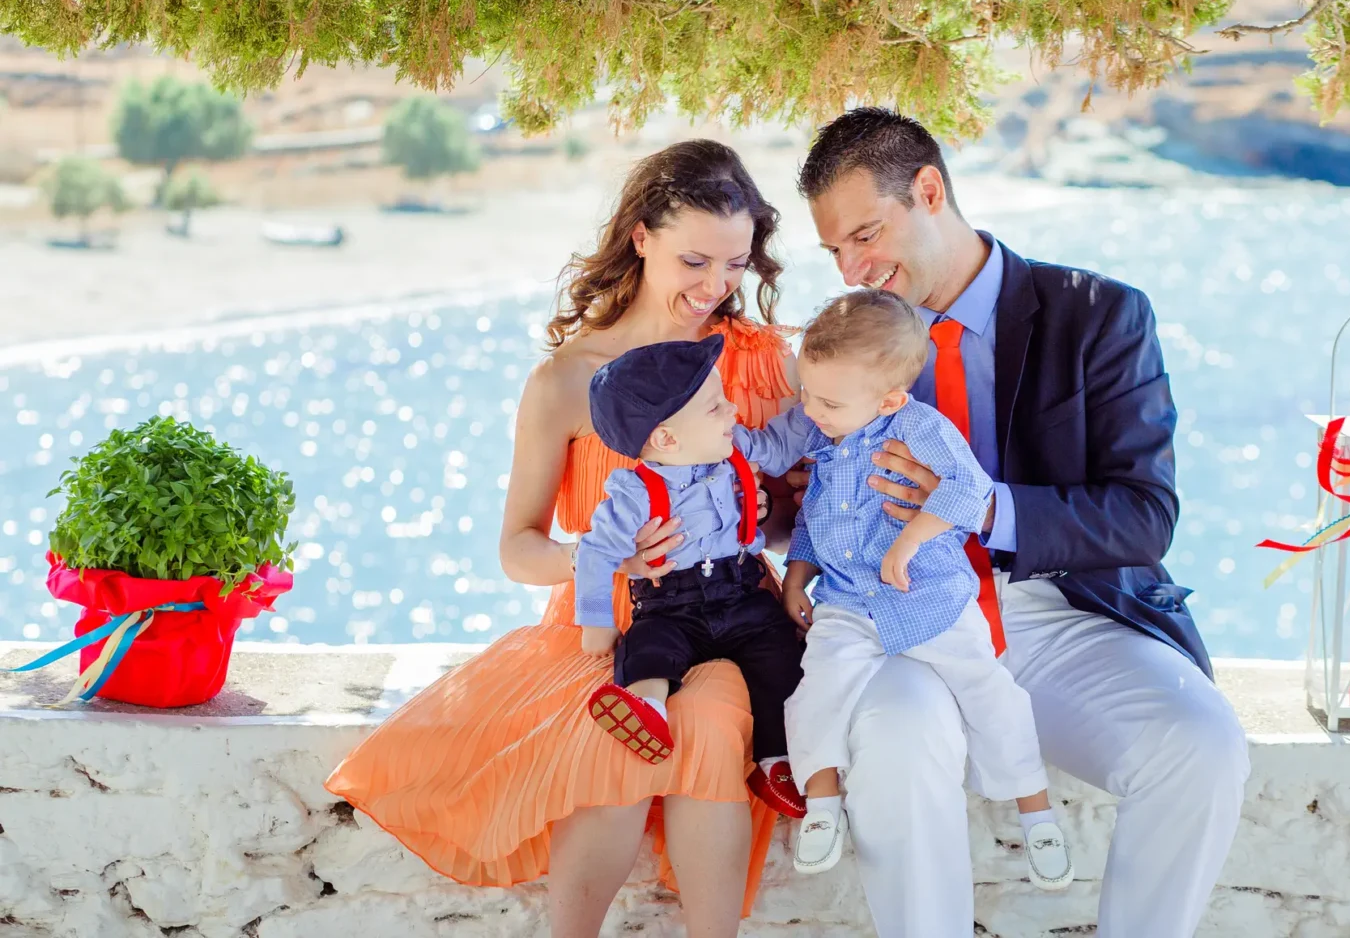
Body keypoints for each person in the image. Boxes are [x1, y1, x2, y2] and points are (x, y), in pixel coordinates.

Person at [792, 108, 1251, 937]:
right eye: (835, 251)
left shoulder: (1100, 315)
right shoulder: (848, 340)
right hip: (906, 612)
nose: (854, 270)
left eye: (866, 234)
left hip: (1061, 612)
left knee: (1201, 744)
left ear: (929, 191)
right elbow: (804, 494)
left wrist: (981, 504)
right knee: (896, 741)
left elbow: (1144, 514)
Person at [326, 140, 801, 938]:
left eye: (734, 264)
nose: (715, 286)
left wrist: (762, 514)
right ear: (641, 236)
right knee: (618, 739)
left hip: (731, 619)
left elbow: (789, 519)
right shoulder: (567, 380)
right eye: (694, 260)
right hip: (601, 627)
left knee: (712, 724)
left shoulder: (758, 362)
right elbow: (517, 547)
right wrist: (596, 558)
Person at [762, 290, 1074, 889]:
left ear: (889, 399)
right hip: (849, 601)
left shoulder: (919, 427)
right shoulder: (827, 434)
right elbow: (817, 516)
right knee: (815, 691)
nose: (811, 409)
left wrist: (908, 542)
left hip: (930, 597)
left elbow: (967, 489)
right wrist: (797, 574)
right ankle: (823, 805)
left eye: (828, 402)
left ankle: (1035, 811)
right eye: (807, 393)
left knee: (990, 692)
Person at [575, 333, 806, 817]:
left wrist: (821, 408)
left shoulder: (736, 449)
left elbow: (779, 445)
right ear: (666, 439)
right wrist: (596, 621)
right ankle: (646, 707)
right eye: (716, 407)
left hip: (741, 590)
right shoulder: (637, 493)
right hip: (670, 602)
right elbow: (596, 551)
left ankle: (774, 760)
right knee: (650, 645)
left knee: (781, 653)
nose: (733, 411)